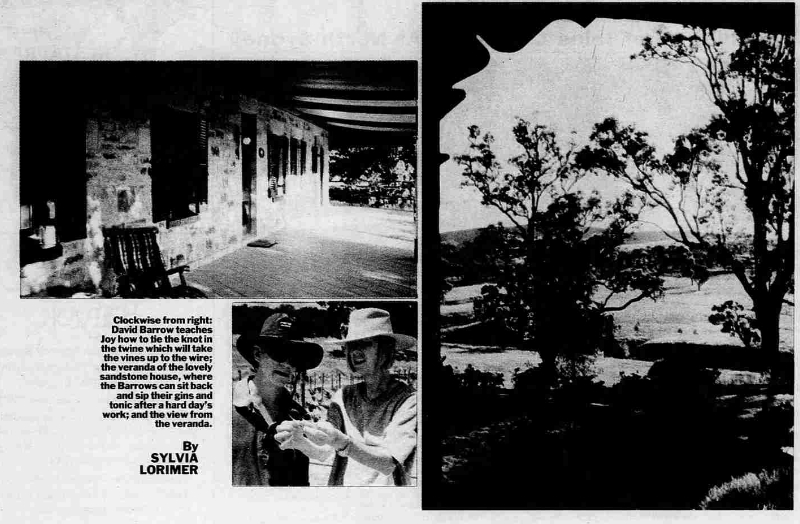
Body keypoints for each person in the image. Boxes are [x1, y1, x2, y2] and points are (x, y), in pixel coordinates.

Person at [275, 308, 417, 486]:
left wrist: (341, 441)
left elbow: (389, 463)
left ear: (385, 350)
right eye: (351, 345)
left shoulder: (408, 401)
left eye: (365, 343)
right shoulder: (343, 396)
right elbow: (326, 452)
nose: (355, 351)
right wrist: (300, 442)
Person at [232, 312, 323, 486]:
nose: (288, 364)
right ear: (258, 354)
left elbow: (300, 484)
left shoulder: (299, 417)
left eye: (295, 358)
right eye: (280, 353)